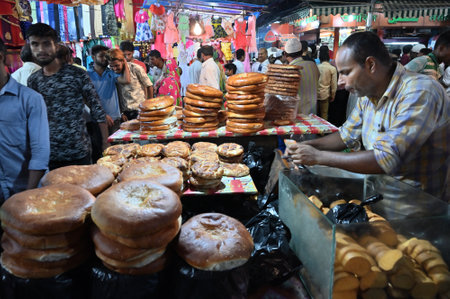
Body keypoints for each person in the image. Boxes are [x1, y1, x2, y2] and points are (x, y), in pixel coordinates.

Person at [286, 31, 449, 200]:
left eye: (346, 72)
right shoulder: (368, 95)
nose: (341, 81)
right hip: (378, 196)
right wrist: (309, 145)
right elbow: (345, 136)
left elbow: (387, 158)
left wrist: (318, 157)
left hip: (416, 209)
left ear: (371, 64)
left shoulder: (420, 91)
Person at [26, 23, 109, 170]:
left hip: (78, 153)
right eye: (35, 44)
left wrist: (105, 143)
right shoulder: (33, 80)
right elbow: (33, 118)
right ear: (30, 47)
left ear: (56, 46)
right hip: (48, 155)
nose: (41, 50)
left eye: (46, 44)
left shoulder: (76, 74)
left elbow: (97, 109)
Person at [0, 38, 50, 201]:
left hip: (24, 189)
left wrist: (28, 196)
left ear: (1, 57)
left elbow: (40, 152)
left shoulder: (30, 99)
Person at [107, 48, 153, 121]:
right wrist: (121, 113)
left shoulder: (135, 68)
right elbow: (117, 95)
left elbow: (149, 85)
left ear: (122, 61)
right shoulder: (111, 74)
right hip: (125, 113)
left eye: (117, 65)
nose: (114, 68)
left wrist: (149, 106)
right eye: (111, 66)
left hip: (140, 110)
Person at [88, 45, 124, 135]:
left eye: (106, 56)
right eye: (101, 56)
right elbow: (87, 99)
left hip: (115, 118)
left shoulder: (112, 72)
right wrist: (102, 114)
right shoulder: (87, 75)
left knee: (116, 147)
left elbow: (125, 82)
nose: (104, 59)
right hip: (97, 119)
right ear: (93, 57)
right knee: (100, 147)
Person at [285, 38, 319, 115]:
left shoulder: (288, 70)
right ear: (301, 52)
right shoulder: (313, 65)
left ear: (285, 54)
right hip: (313, 112)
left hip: (296, 114)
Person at [317, 46, 337, 120]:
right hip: (325, 95)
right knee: (324, 114)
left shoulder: (317, 67)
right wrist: (333, 95)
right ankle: (324, 130)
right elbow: (334, 85)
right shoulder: (332, 69)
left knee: (315, 115)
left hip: (315, 94)